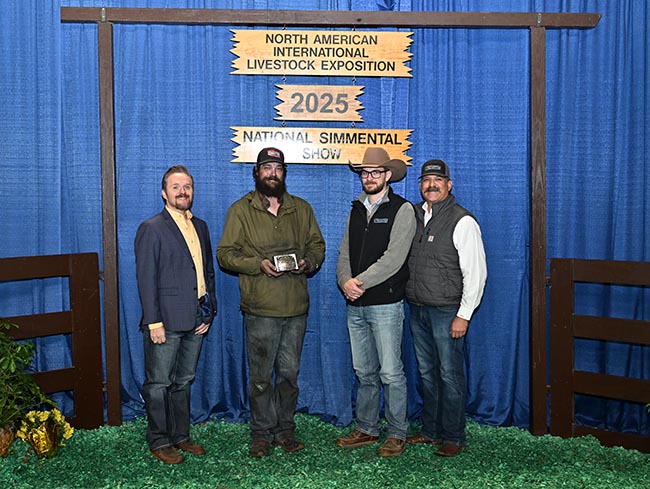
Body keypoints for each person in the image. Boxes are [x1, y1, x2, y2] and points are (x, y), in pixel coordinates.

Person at [217, 147, 325, 458]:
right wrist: (257, 264)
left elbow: (317, 245)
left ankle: (285, 430)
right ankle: (261, 433)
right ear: (256, 173)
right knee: (261, 378)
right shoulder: (241, 210)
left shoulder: (301, 208)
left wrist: (308, 262)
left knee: (289, 376)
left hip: (295, 308)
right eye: (266, 168)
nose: (272, 173)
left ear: (284, 172)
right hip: (261, 308)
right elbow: (225, 254)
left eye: (277, 168)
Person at [335, 147, 416, 458]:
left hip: (385, 304)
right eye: (365, 173)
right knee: (364, 371)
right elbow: (344, 252)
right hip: (355, 305)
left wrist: (358, 283)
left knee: (391, 372)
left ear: (387, 175)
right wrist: (345, 281)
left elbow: (394, 259)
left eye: (375, 172)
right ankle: (367, 427)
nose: (369, 177)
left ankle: (396, 432)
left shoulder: (402, 209)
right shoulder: (355, 209)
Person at [135, 165, 217, 464]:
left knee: (183, 380)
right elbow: (146, 278)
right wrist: (153, 321)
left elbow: (207, 272)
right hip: (165, 321)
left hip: (196, 317)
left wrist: (209, 311)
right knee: (159, 383)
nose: (183, 192)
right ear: (164, 193)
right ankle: (159, 440)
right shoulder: (152, 227)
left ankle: (180, 435)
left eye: (187, 187)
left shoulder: (201, 226)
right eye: (176, 187)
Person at [405, 159, 487, 457]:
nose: (432, 185)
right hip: (418, 308)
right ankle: (431, 431)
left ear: (449, 185)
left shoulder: (462, 220)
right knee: (427, 373)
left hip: (447, 311)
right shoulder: (414, 215)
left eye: (438, 180)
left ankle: (453, 436)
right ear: (420, 185)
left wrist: (463, 315)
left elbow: (476, 273)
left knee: (449, 375)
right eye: (426, 180)